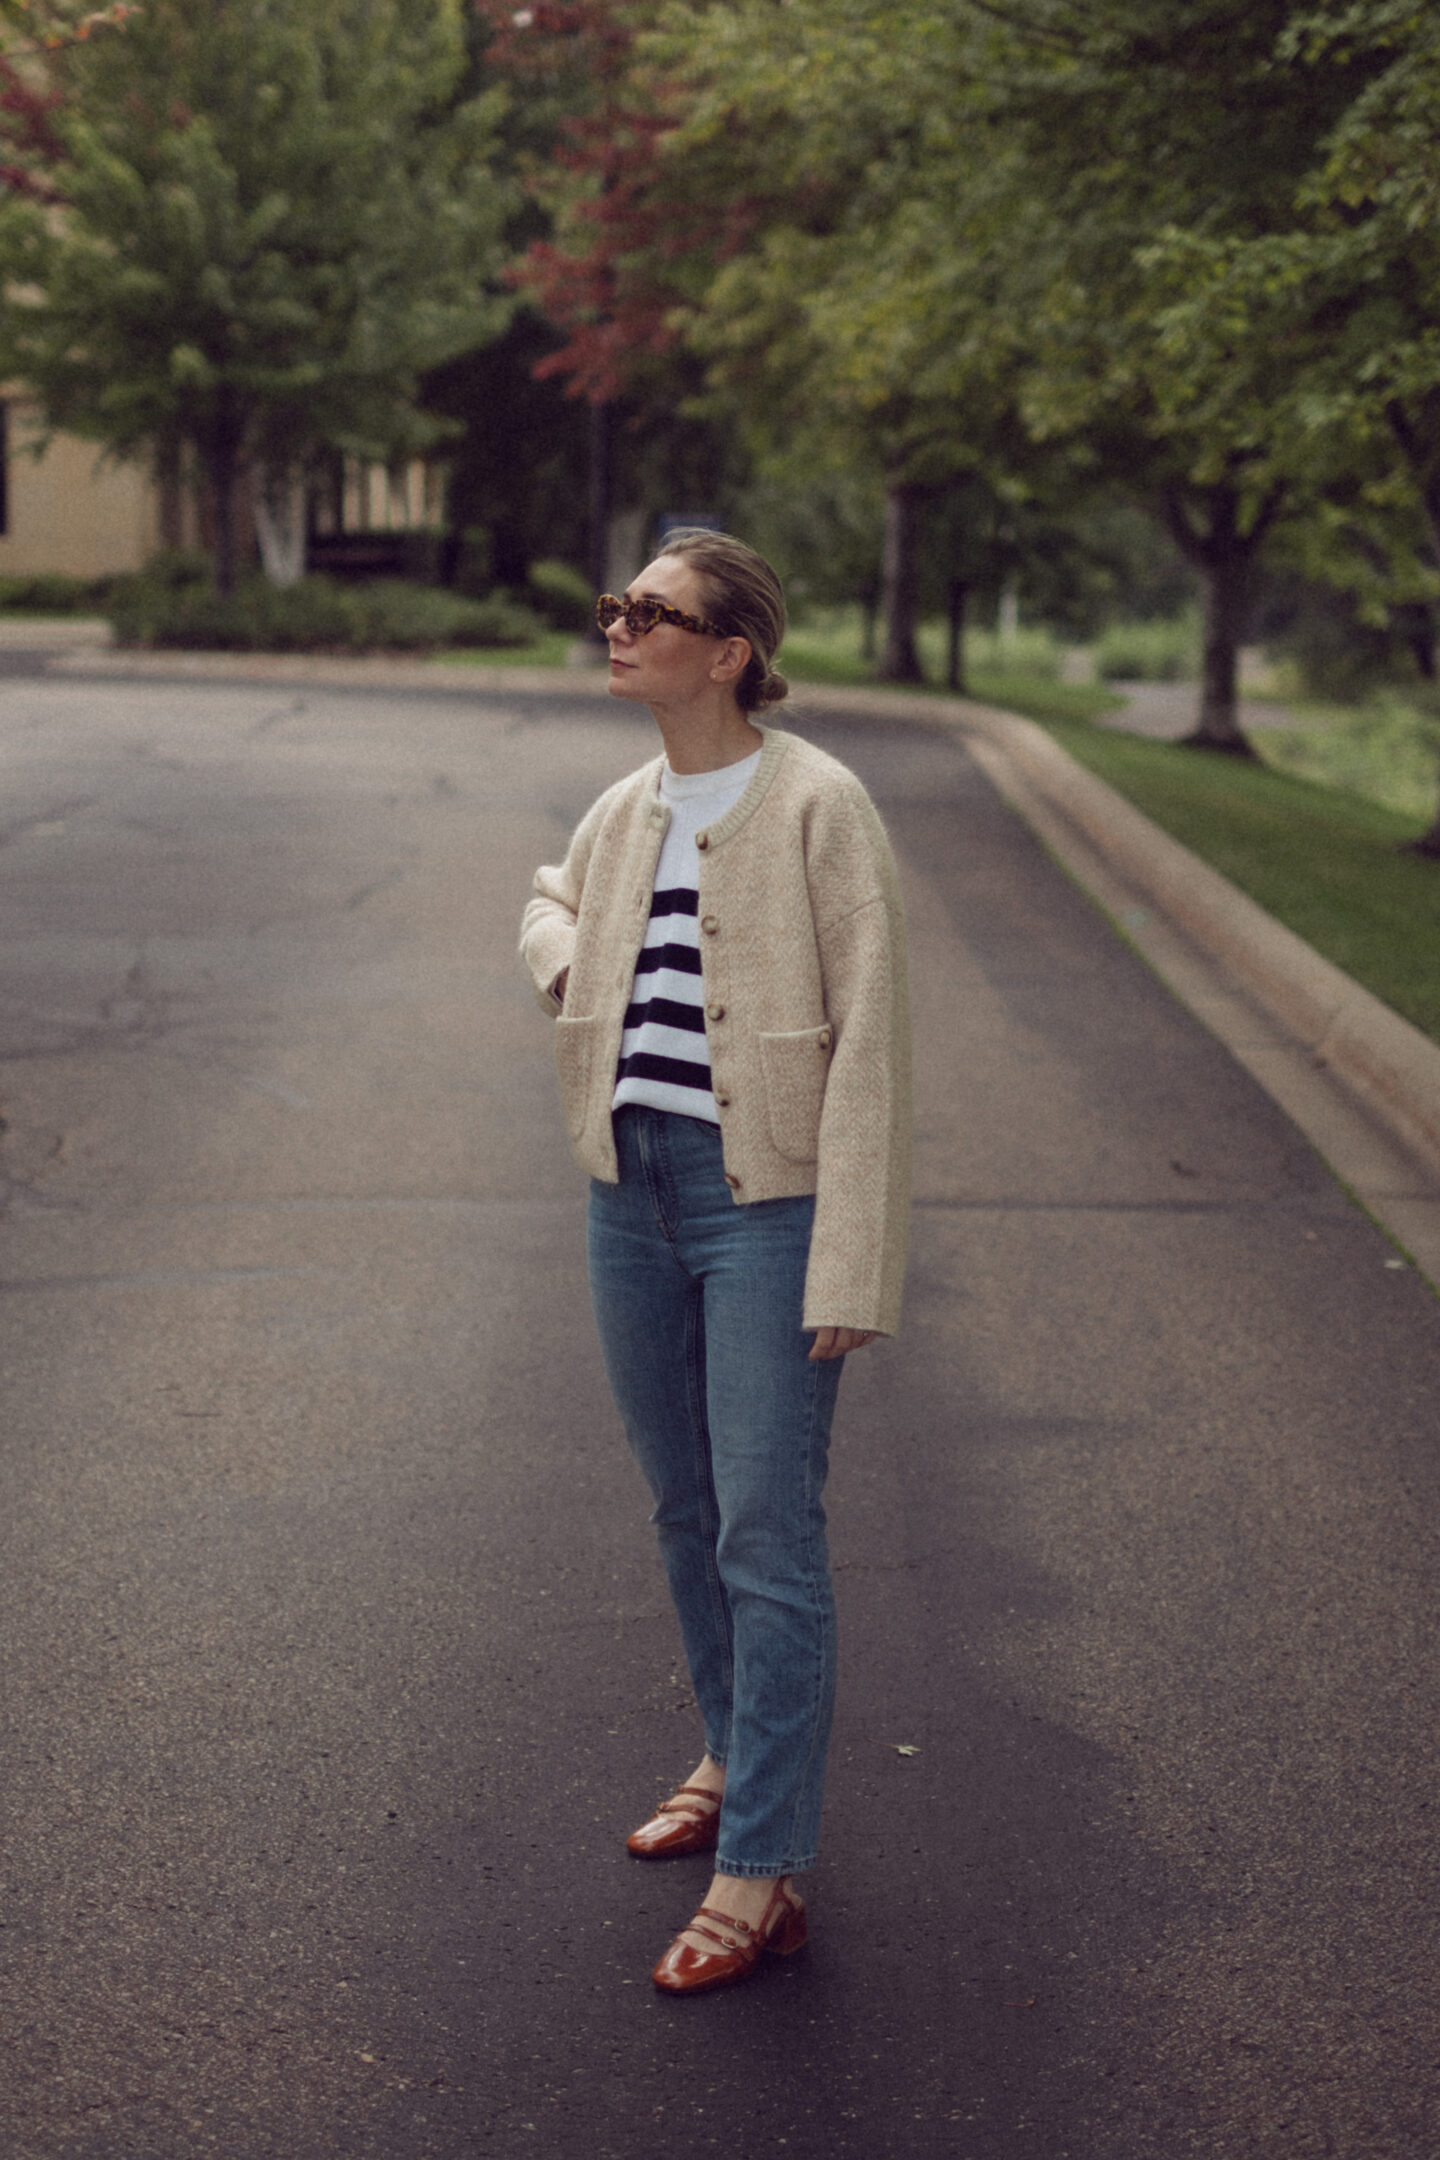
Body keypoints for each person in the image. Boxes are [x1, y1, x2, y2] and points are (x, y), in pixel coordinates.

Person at [519, 529, 911, 1994]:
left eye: (652, 612)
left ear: (730, 649)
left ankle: (767, 1864)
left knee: (766, 1531)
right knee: (683, 1510)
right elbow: (549, 898)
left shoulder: (819, 804)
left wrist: (853, 1262)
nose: (618, 628)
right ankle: (733, 1755)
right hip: (634, 1194)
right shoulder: (631, 806)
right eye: (616, 604)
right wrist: (567, 967)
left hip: (769, 1209)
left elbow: (873, 1033)